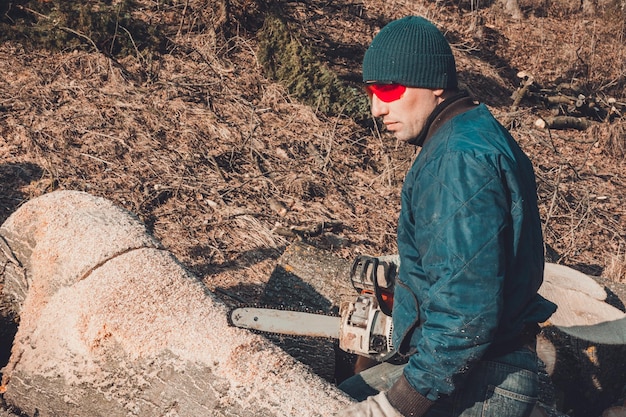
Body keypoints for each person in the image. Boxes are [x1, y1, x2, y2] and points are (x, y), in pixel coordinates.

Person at [337, 16, 557, 417]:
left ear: (435, 82)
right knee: (341, 392)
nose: (376, 107)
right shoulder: (471, 135)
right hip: (481, 371)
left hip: (482, 382)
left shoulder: (457, 159)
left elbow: (465, 309)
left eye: (389, 88)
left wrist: (397, 405)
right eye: (371, 91)